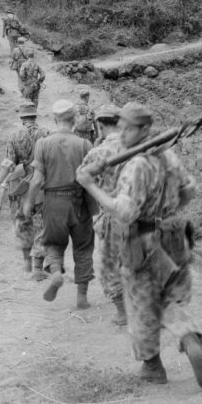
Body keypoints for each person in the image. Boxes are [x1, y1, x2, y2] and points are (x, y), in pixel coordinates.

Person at [76, 101, 202, 388]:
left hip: (143, 240)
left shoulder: (136, 165)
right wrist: (168, 211)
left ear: (144, 130)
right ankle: (188, 334)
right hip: (174, 234)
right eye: (121, 128)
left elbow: (124, 212)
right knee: (172, 296)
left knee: (141, 303)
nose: (123, 134)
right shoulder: (168, 156)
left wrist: (89, 185)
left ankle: (152, 367)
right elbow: (189, 190)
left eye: (128, 129)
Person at [23, 98, 94, 307]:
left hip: (53, 201)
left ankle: (55, 273)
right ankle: (82, 297)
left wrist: (28, 202)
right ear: (73, 120)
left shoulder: (43, 144)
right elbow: (92, 178)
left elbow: (37, 179)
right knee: (83, 247)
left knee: (53, 243)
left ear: (55, 119)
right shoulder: (85, 144)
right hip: (79, 201)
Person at [77, 103, 127, 325]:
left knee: (110, 265)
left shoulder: (97, 152)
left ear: (99, 124)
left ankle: (122, 312)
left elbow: (82, 177)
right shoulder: (141, 147)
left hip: (113, 216)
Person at [0, 102, 45, 276]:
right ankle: (38, 266)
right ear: (35, 116)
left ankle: (26, 263)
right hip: (41, 184)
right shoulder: (46, 134)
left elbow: (9, 164)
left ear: (22, 118)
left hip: (20, 186)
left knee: (22, 222)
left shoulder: (14, 136)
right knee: (40, 225)